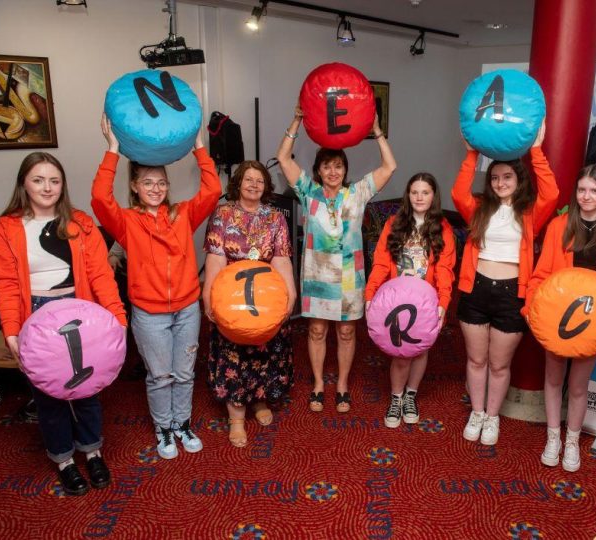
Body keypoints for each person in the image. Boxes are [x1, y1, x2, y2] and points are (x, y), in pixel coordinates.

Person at [0, 152, 127, 495]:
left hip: (81, 311)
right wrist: (11, 331)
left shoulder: (80, 223)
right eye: (38, 180)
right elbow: (4, 286)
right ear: (24, 184)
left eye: (54, 180)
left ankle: (92, 452)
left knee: (88, 388)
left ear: (63, 185)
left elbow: (101, 275)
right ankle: (64, 459)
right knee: (48, 395)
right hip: (35, 316)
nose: (47, 188)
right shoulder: (5, 229)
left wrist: (117, 318)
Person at [92, 115, 221, 460]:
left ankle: (182, 423)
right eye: (147, 182)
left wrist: (198, 146)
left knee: (184, 373)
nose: (155, 188)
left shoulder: (181, 214)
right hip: (149, 314)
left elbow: (212, 191)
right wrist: (113, 150)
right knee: (160, 375)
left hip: (187, 309)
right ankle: (164, 427)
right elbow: (100, 199)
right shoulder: (127, 222)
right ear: (135, 186)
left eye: (161, 182)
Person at [276, 106, 396, 413]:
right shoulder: (308, 191)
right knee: (317, 331)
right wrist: (297, 120)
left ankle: (342, 385)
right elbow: (283, 158)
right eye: (327, 166)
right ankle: (318, 384)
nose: (333, 172)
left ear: (344, 170)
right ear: (318, 171)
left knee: (346, 331)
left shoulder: (357, 193)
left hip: (348, 277)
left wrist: (377, 132)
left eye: (338, 166)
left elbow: (390, 166)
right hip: (316, 276)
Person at [452, 122, 559, 446]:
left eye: (507, 177)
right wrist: (471, 153)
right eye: (495, 177)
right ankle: (477, 412)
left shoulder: (529, 212)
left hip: (512, 293)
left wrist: (536, 150)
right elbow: (458, 193)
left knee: (499, 365)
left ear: (518, 179)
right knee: (476, 360)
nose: (500, 183)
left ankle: (492, 416)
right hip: (476, 288)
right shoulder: (479, 209)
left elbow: (552, 193)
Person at [525, 164, 596, 471]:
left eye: (594, 190)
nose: (587, 196)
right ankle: (553, 437)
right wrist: (531, 310)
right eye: (582, 189)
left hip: (594, 321)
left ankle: (572, 440)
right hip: (556, 316)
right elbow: (541, 275)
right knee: (553, 378)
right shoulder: (559, 226)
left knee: (577, 385)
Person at [202, 161, 296, 447]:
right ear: (238, 183)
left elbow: (281, 259)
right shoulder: (223, 214)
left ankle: (259, 400)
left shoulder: (275, 217)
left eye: (259, 181)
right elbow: (215, 259)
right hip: (231, 298)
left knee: (264, 351)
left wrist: (290, 294)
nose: (254, 185)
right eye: (248, 179)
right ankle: (236, 416)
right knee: (233, 354)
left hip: (266, 298)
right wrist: (208, 296)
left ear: (266, 186)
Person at [364, 173, 456, 428]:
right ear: (408, 195)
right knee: (401, 353)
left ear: (433, 196)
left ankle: (410, 396)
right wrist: (370, 294)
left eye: (425, 192)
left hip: (427, 302)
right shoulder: (394, 224)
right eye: (414, 192)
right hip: (396, 301)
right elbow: (381, 263)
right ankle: (396, 398)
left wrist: (443, 302)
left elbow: (445, 269)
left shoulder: (443, 228)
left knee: (420, 349)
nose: (419, 197)